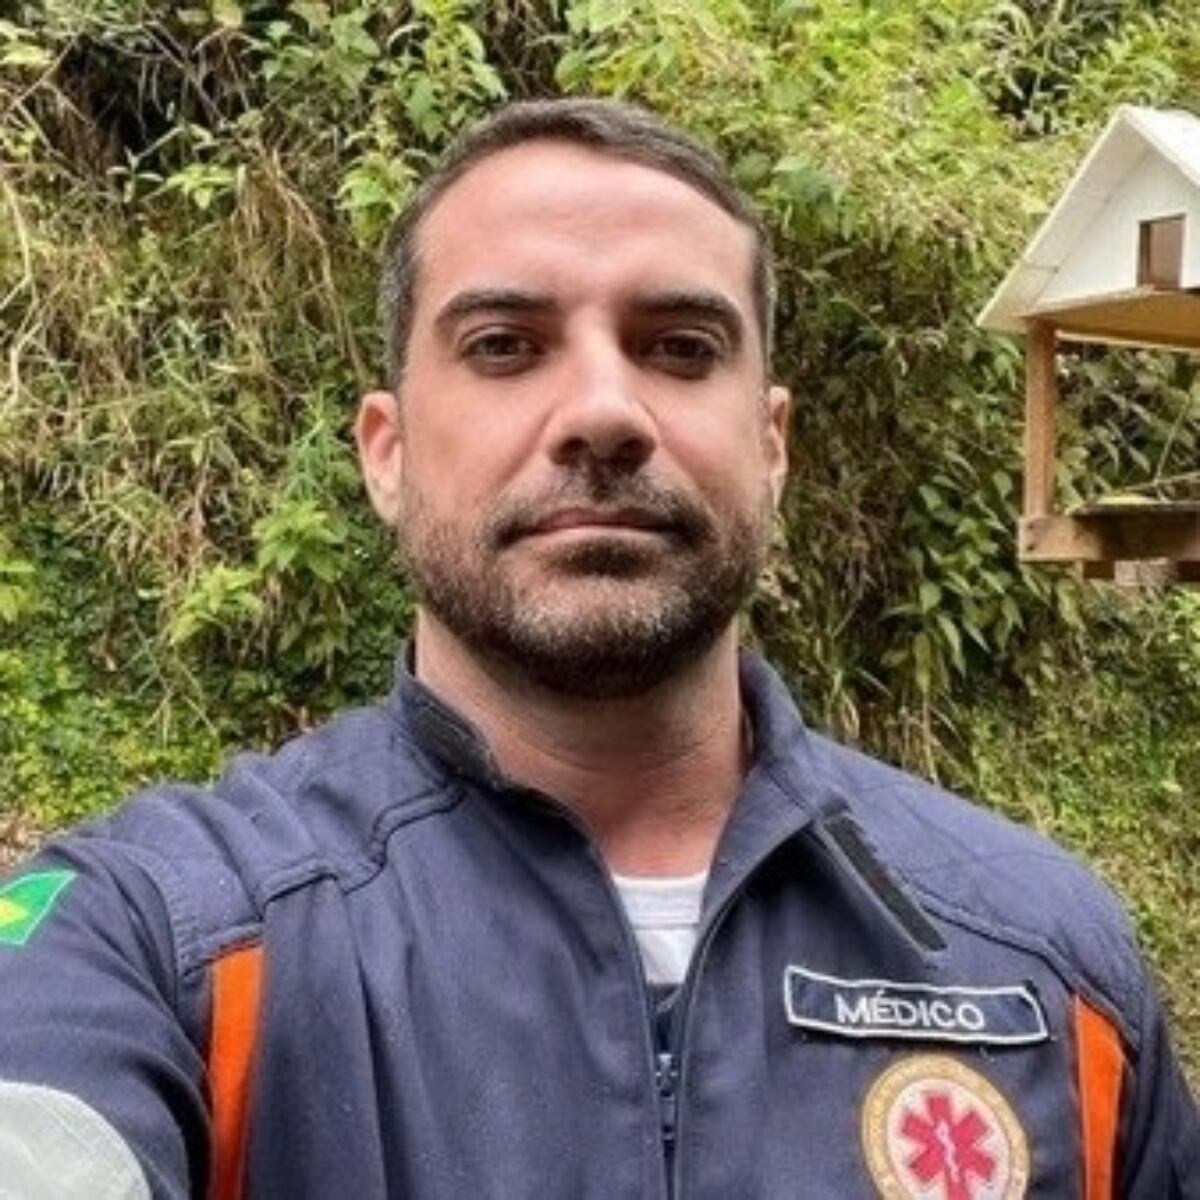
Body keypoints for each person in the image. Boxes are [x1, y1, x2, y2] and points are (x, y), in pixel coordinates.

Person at [0, 98, 1196, 1200]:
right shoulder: (163, 937)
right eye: (504, 345)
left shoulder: (1050, 971)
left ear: (771, 444)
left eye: (680, 348)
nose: (605, 413)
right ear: (387, 453)